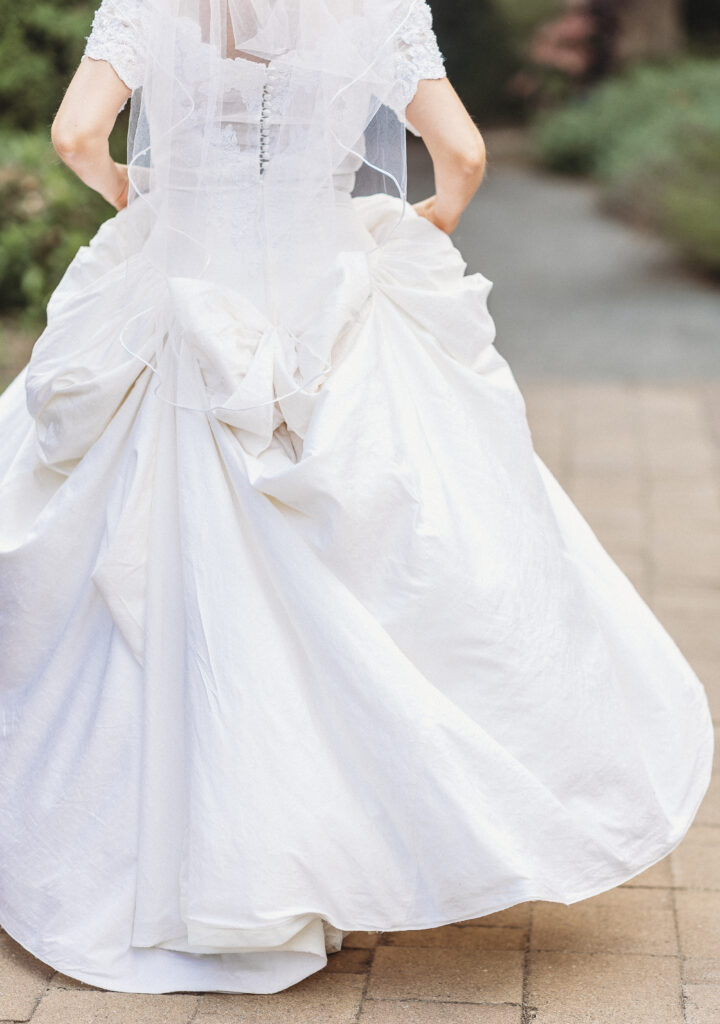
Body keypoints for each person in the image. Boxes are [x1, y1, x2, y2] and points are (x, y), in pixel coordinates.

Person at [0, 0, 713, 998]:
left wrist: (135, 195)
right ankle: (329, 849)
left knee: (149, 566)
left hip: (181, 298)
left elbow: (76, 132)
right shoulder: (376, 7)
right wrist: (430, 222)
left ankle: (158, 856)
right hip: (320, 308)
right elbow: (460, 152)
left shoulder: (151, 1)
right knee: (376, 572)